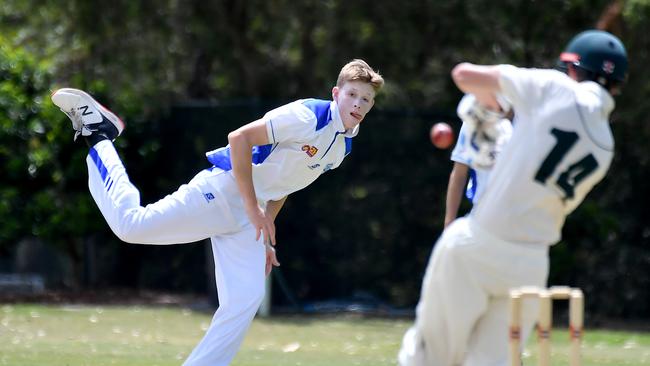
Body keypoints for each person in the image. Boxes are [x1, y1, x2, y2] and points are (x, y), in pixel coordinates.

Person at [51, 59, 384, 366]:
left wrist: (267, 225)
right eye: (352, 94)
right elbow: (239, 139)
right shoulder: (308, 115)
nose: (357, 104)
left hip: (247, 217)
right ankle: (99, 134)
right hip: (221, 192)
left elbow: (285, 181)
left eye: (366, 100)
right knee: (130, 226)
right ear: (336, 93)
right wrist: (254, 207)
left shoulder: (343, 147)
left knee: (246, 299)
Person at [399, 29, 627, 366]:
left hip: (478, 243)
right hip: (531, 264)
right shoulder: (605, 145)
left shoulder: (554, 87)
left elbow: (464, 75)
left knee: (428, 358)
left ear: (574, 70)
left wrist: (490, 107)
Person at [444, 115, 513, 227]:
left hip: (521, 216)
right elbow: (459, 173)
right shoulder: (473, 119)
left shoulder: (530, 118)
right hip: (483, 216)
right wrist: (449, 222)